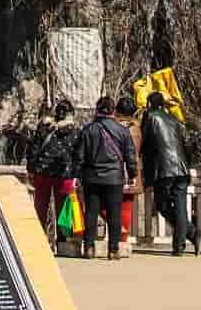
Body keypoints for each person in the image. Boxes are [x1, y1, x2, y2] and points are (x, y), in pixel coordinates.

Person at [73, 95, 136, 261]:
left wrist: (76, 175)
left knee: (91, 213)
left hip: (91, 176)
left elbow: (79, 155)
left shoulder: (88, 129)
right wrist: (132, 174)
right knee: (114, 213)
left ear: (97, 110)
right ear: (113, 111)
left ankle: (89, 248)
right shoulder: (122, 130)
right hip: (114, 177)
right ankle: (113, 250)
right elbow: (130, 155)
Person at [141, 92, 196, 255]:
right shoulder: (175, 119)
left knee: (162, 205)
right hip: (182, 168)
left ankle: (191, 232)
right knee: (180, 207)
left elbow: (143, 141)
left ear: (150, 104)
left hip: (164, 168)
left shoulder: (150, 117)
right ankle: (180, 245)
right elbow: (186, 144)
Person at [26, 102, 81, 243]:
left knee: (40, 207)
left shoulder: (45, 127)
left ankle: (39, 240)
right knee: (63, 208)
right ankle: (63, 240)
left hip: (42, 171)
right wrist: (76, 173)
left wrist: (31, 169)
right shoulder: (75, 130)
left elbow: (34, 148)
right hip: (64, 173)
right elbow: (78, 154)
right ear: (71, 113)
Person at [114, 95, 144, 255]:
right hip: (133, 171)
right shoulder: (137, 128)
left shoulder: (113, 127)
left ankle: (117, 230)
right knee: (126, 206)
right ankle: (123, 240)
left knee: (107, 203)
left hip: (115, 171)